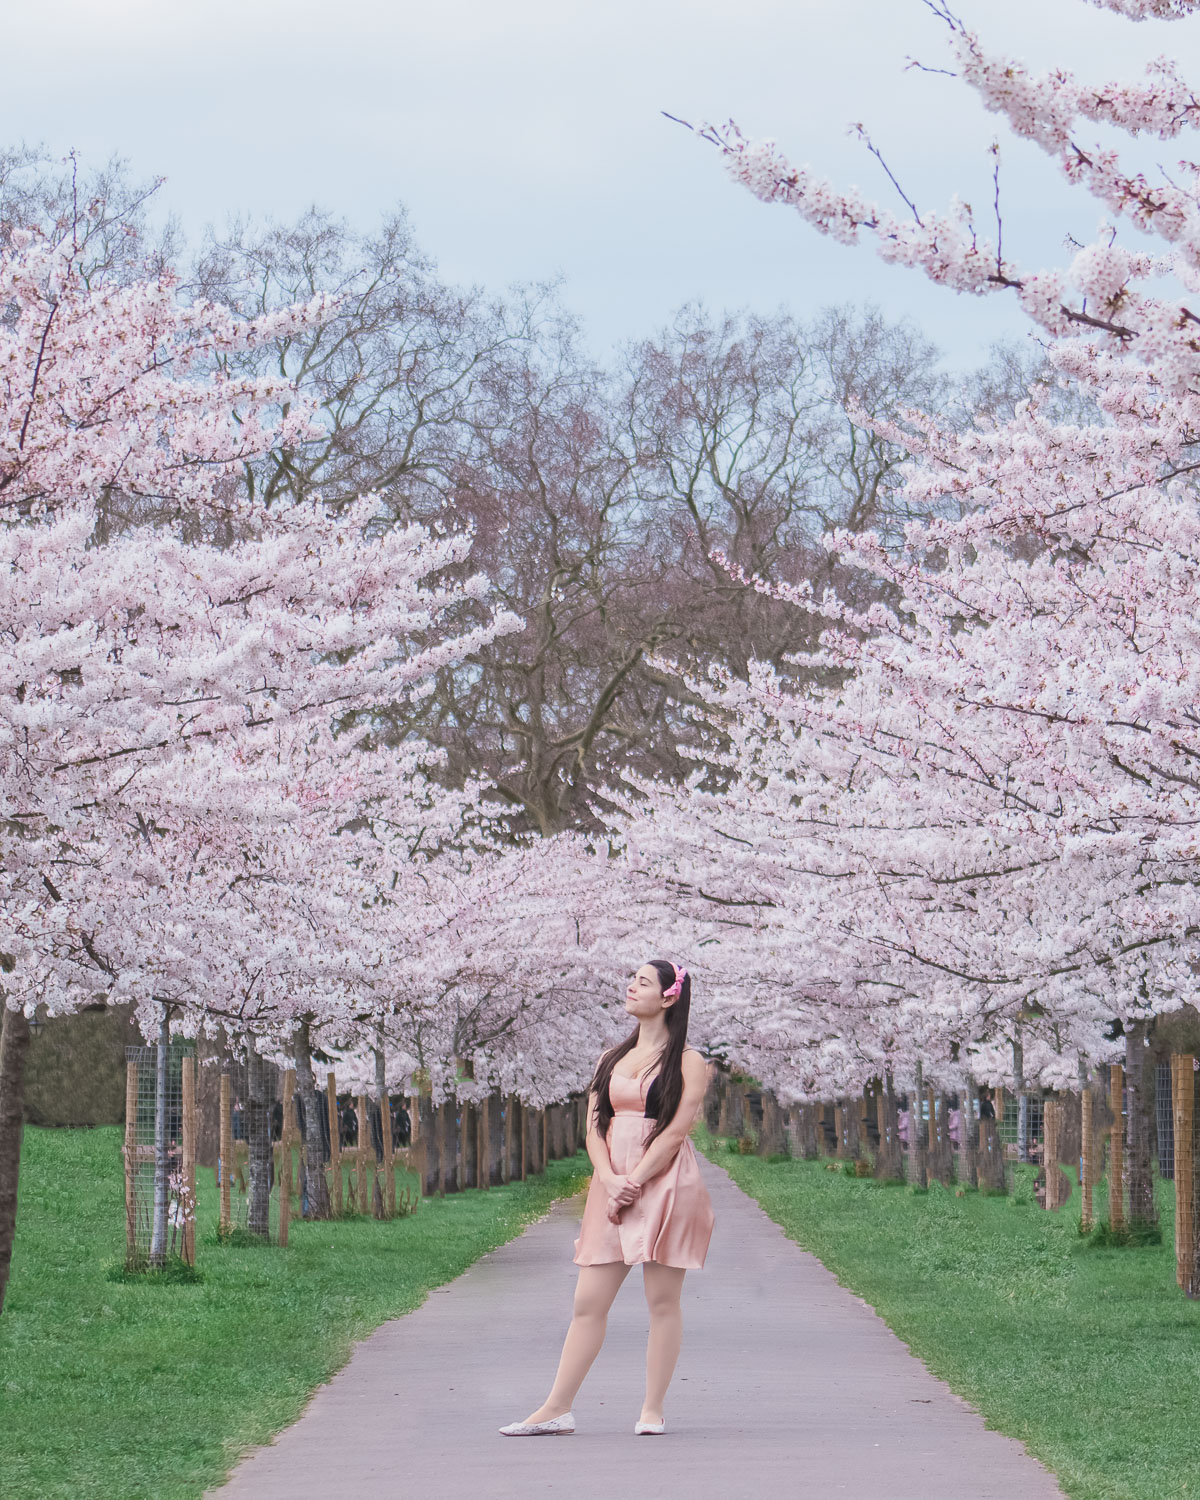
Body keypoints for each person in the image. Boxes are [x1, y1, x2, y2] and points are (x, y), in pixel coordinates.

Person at [499, 960, 714, 1439]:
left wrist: (633, 1180)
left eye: (643, 982)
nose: (631, 987)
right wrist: (610, 1180)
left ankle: (652, 1409)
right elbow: (594, 1129)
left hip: (663, 1183)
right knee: (588, 1302)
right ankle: (556, 1408)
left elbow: (675, 1131)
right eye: (632, 979)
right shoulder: (609, 1059)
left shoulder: (688, 1061)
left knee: (662, 1301)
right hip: (610, 1182)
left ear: (669, 997)